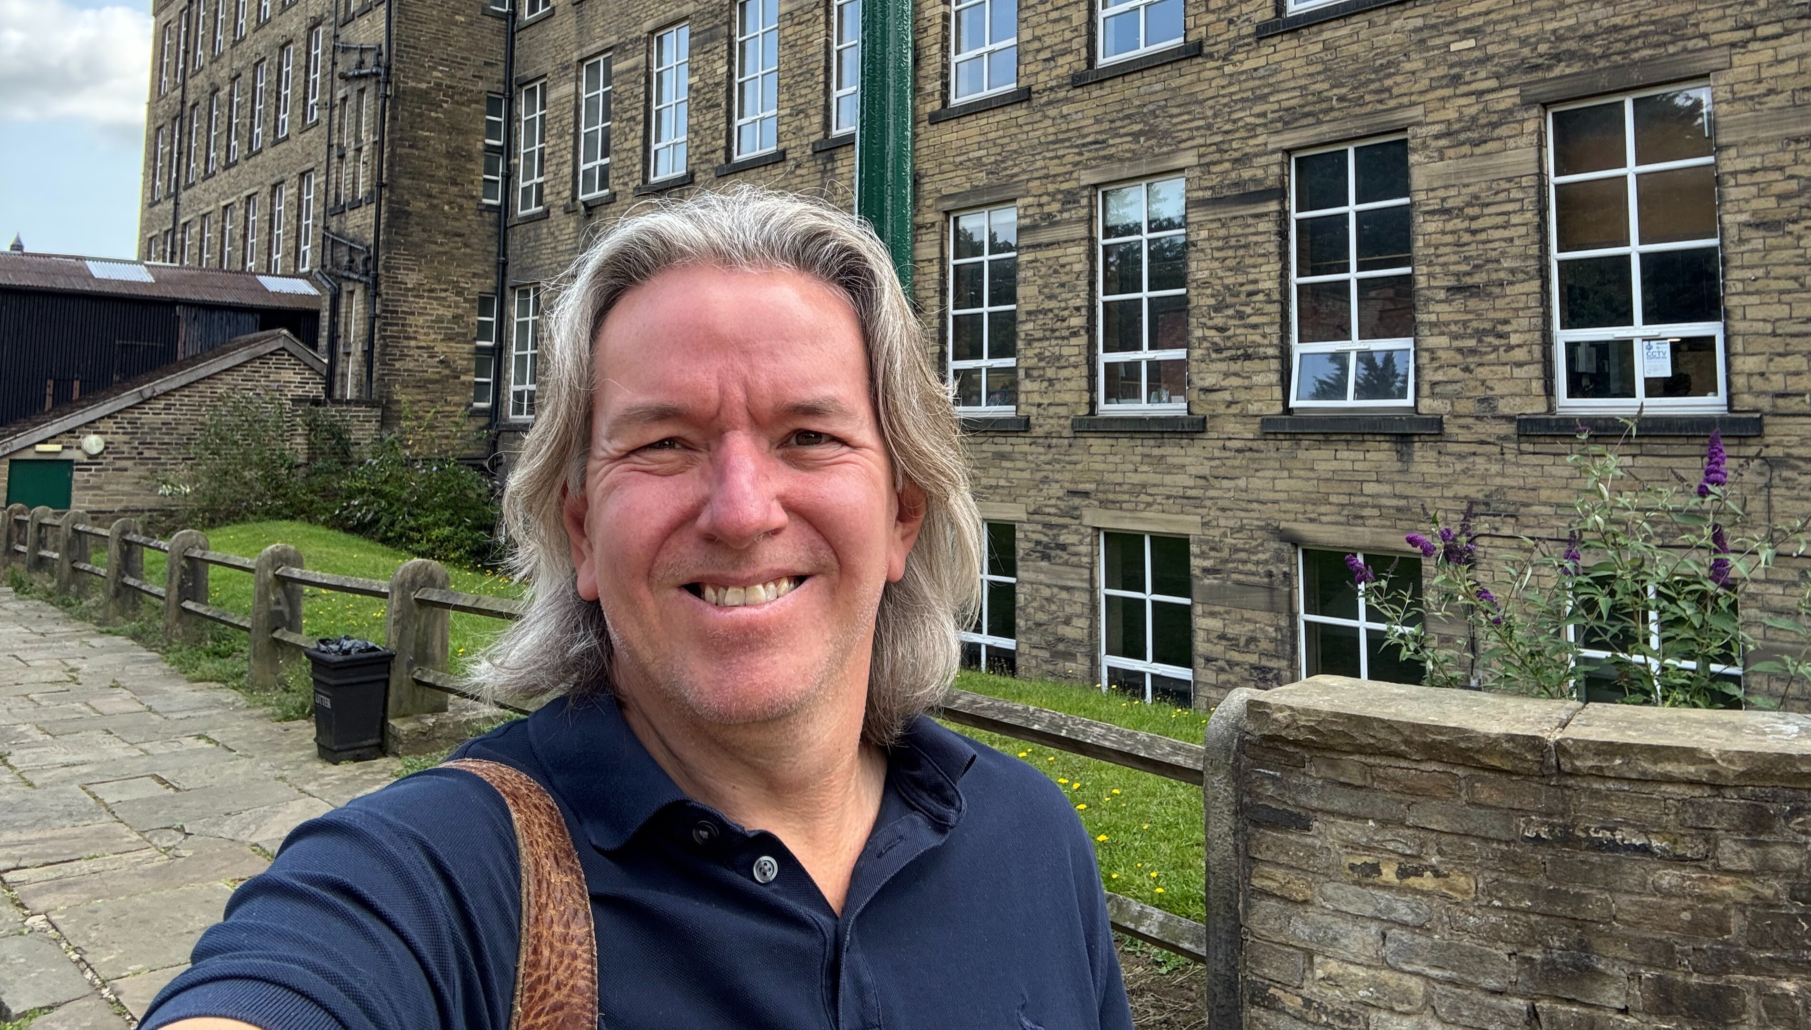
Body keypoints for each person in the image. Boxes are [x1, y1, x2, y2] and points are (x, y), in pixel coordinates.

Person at [145, 189, 1133, 1030]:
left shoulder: (1032, 837)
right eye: (664, 443)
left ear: (901, 518)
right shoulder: (442, 878)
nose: (743, 511)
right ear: (580, 531)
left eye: (807, 436)